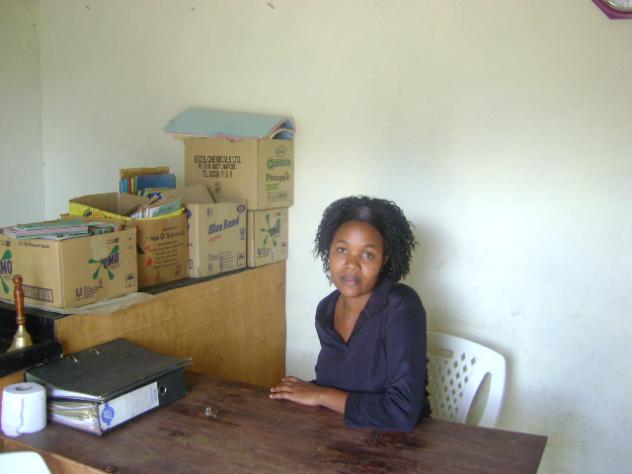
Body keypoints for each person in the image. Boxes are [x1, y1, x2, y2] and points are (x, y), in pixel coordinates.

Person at [270, 195, 430, 431]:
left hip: (400, 443)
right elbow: (343, 381)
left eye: (367, 254)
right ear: (329, 252)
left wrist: (321, 395)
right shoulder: (326, 310)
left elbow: (402, 413)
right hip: (339, 435)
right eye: (342, 250)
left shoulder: (401, 307)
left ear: (384, 260)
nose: (352, 263)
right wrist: (306, 390)